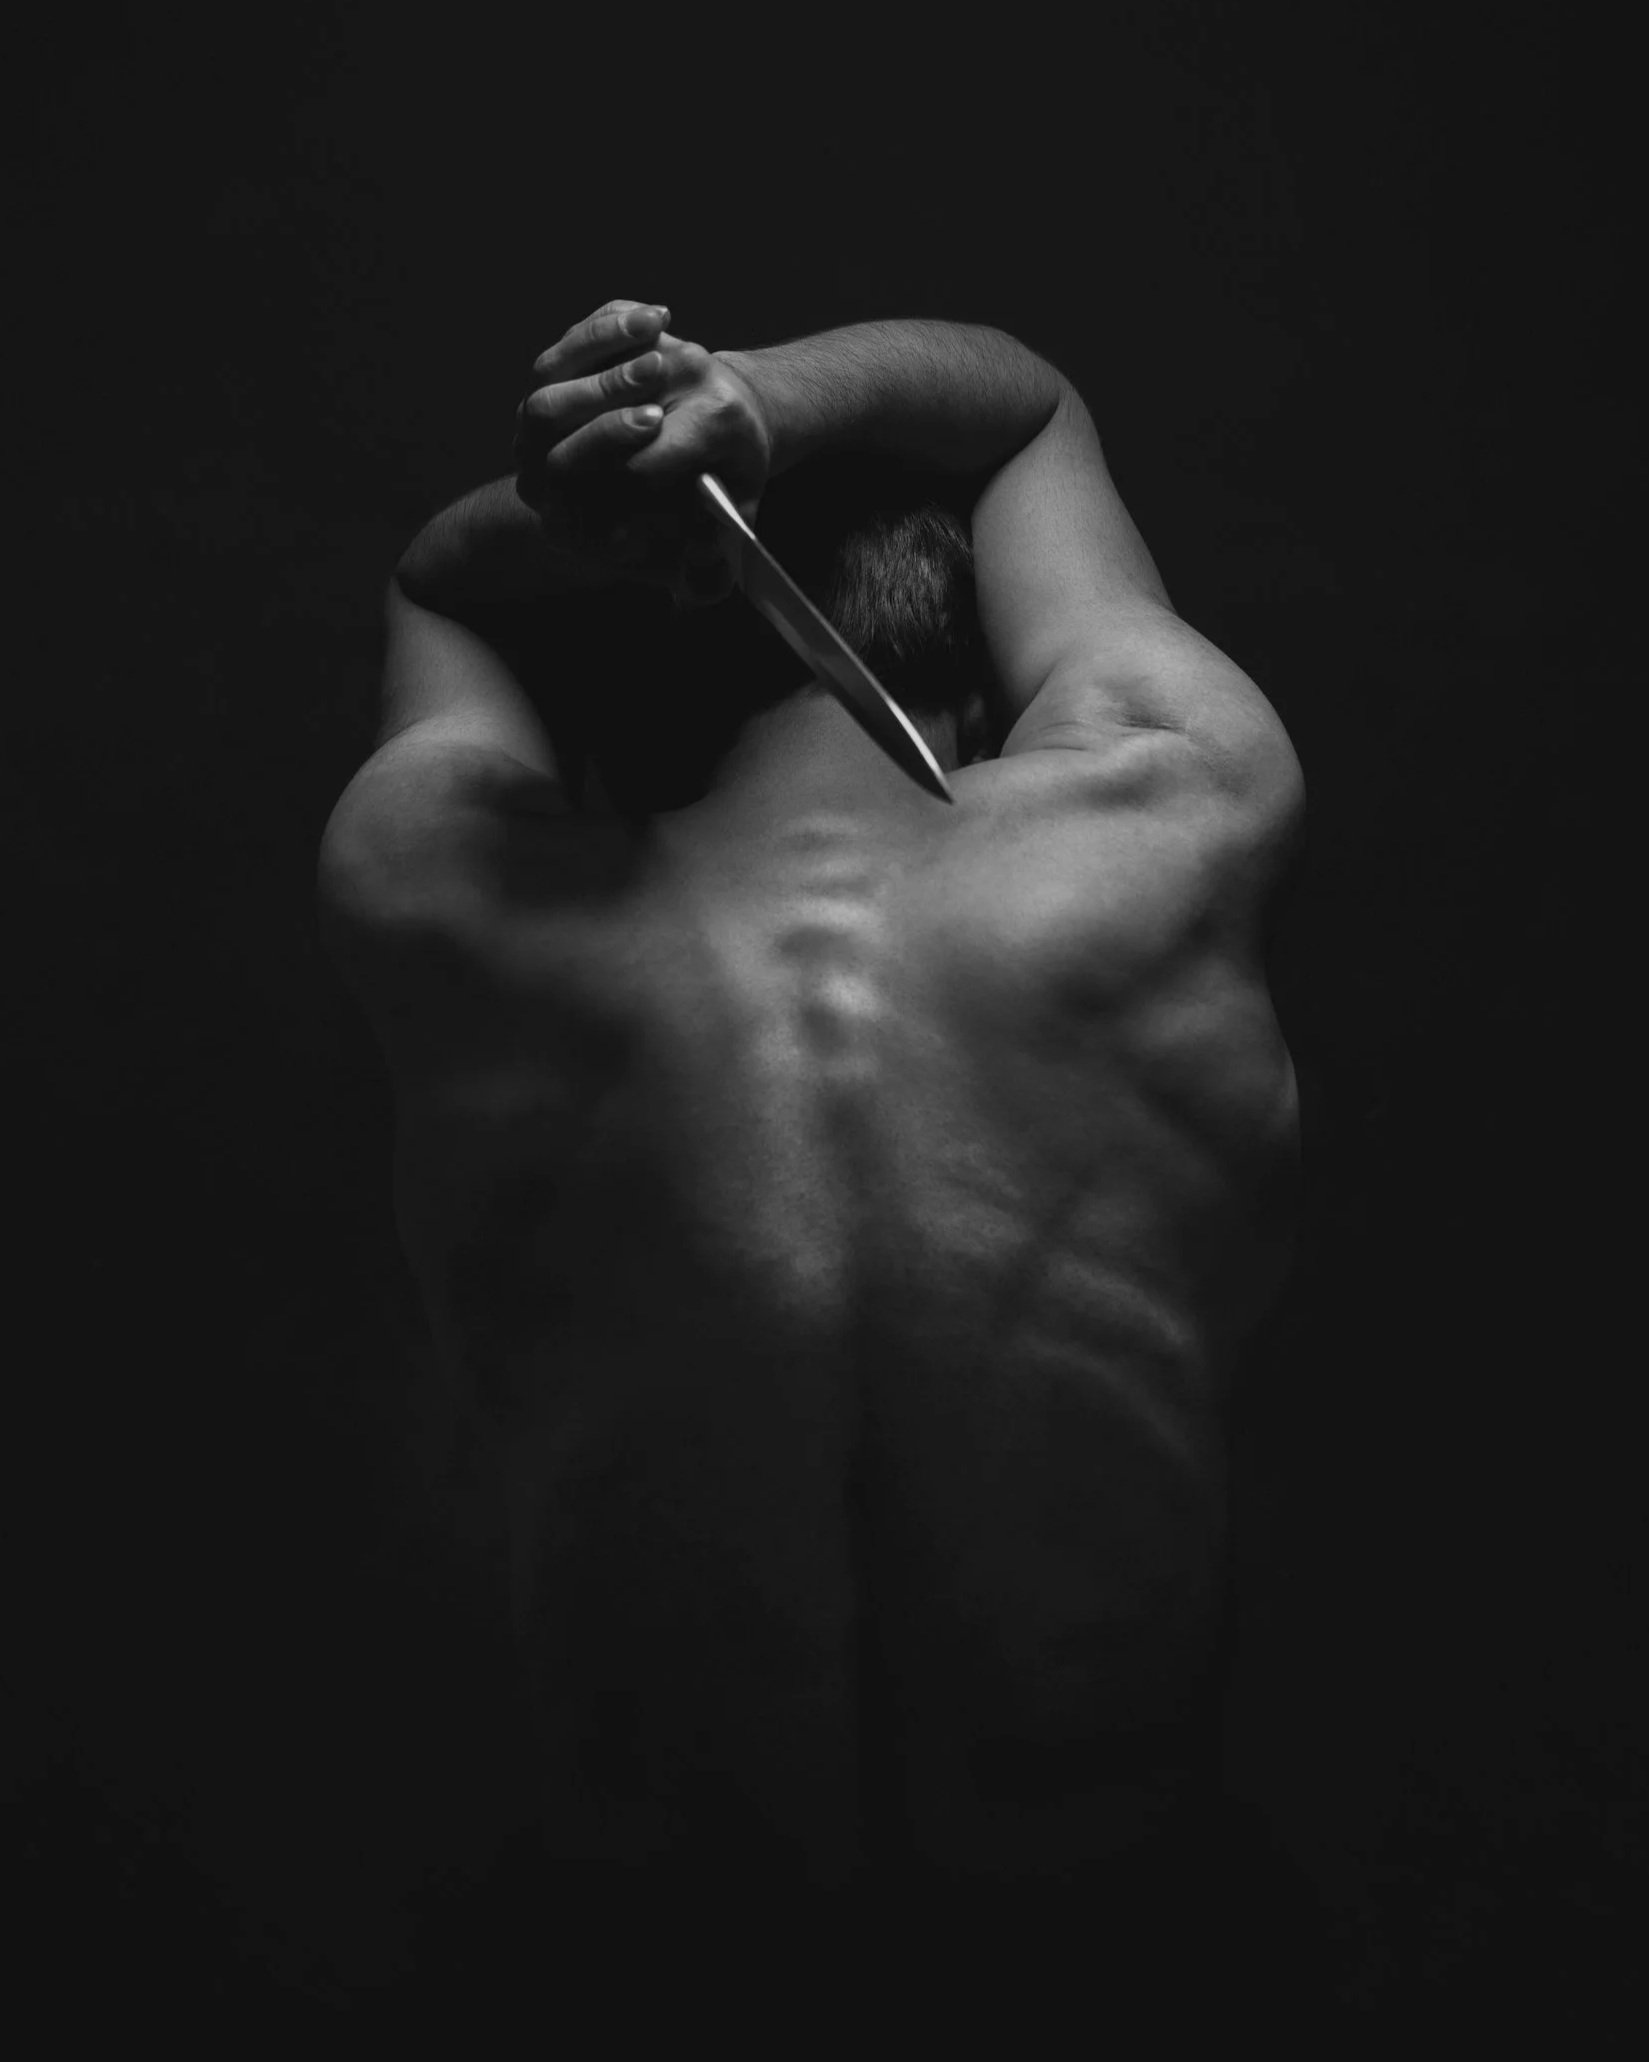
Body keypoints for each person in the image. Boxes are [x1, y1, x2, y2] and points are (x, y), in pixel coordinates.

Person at [318, 301, 1308, 2012]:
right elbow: (1021, 404)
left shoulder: (465, 914)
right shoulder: (1164, 814)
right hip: (1106, 1923)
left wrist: (606, 487)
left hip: (660, 1954)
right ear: (978, 646)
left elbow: (439, 578)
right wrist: (752, 411)